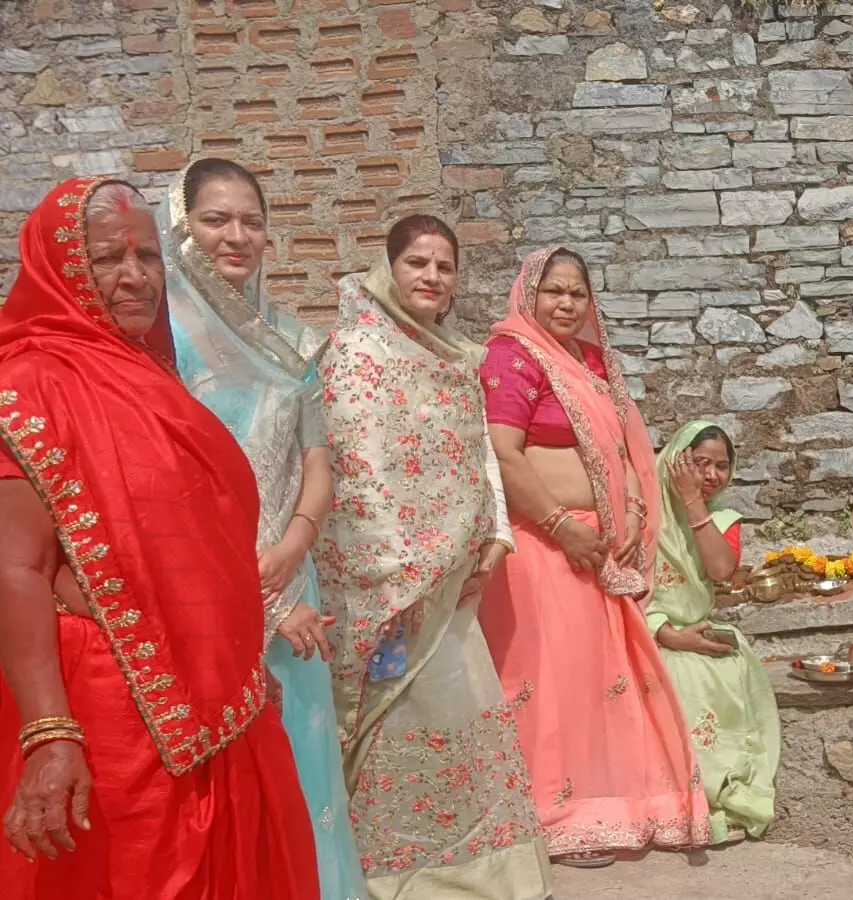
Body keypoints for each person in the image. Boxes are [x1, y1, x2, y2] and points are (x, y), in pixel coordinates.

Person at [0, 177, 318, 898]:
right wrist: (50, 733)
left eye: (147, 255)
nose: (135, 276)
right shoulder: (28, 383)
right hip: (109, 706)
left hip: (219, 697)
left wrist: (234, 656)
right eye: (109, 257)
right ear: (61, 267)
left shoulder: (152, 379)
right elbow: (14, 568)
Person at [315, 215, 553, 898]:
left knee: (463, 723)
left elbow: (481, 455)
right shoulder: (355, 354)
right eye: (418, 263)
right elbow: (354, 474)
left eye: (444, 267)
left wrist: (497, 534)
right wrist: (402, 572)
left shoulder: (456, 357)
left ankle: (481, 872)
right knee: (401, 726)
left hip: (453, 586)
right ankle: (399, 878)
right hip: (391, 589)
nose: (432, 277)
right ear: (388, 268)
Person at [159, 158, 367, 900]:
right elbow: (166, 487)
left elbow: (318, 457)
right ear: (181, 225)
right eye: (216, 219)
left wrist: (293, 547)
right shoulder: (159, 342)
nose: (236, 236)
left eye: (252, 220)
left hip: (292, 571)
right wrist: (262, 589)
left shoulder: (293, 341)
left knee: (304, 761)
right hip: (202, 592)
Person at [478, 246, 709, 866]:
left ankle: (607, 805)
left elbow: (622, 446)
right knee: (548, 680)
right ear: (529, 294)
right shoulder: (513, 355)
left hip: (599, 544)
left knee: (599, 677)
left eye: (577, 294)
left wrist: (631, 513)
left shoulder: (591, 361)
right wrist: (561, 524)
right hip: (540, 545)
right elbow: (503, 452)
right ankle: (551, 813)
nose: (566, 303)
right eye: (554, 291)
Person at [646, 421, 781, 845]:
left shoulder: (721, 517)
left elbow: (722, 570)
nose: (710, 475)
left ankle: (721, 793)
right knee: (682, 678)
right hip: (647, 633)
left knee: (723, 668)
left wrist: (692, 504)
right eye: (698, 462)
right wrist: (665, 633)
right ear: (673, 460)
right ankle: (681, 804)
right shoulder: (641, 510)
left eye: (721, 466)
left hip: (701, 629)